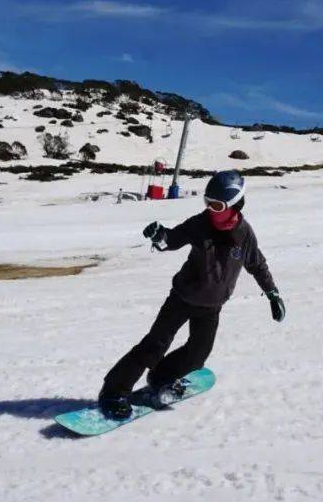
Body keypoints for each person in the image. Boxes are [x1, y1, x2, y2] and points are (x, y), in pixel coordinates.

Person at [98, 170, 284, 419]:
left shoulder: (245, 234)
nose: (211, 210)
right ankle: (113, 391)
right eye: (208, 203)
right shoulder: (200, 224)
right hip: (182, 298)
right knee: (154, 345)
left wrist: (272, 293)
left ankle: (162, 376)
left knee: (198, 354)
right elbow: (173, 239)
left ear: (235, 204)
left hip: (212, 306)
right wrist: (160, 236)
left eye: (217, 205)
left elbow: (257, 265)